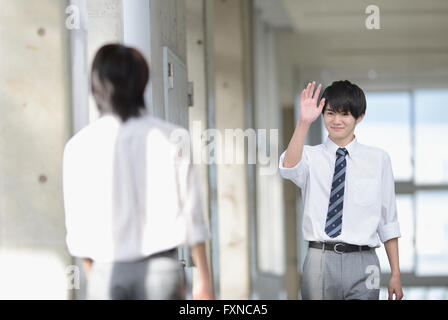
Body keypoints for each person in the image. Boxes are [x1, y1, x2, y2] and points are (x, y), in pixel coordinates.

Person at [63, 44, 214, 300]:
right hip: (161, 271)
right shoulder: (173, 138)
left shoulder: (79, 146)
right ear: (143, 83)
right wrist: (204, 281)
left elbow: (78, 228)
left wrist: (97, 277)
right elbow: (192, 215)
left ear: (96, 87)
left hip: (107, 271)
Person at [279, 80, 403, 300]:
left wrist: (396, 273)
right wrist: (303, 122)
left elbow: (388, 221)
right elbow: (288, 168)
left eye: (345, 114)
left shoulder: (378, 159)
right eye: (330, 113)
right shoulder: (309, 155)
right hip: (319, 258)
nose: (336, 121)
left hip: (364, 260)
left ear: (359, 116)